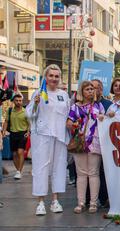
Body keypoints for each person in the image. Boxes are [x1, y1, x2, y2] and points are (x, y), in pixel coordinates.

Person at [26, 64, 70, 216]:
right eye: (51, 76)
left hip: (60, 136)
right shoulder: (39, 93)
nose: (54, 79)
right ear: (45, 77)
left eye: (57, 76)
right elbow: (30, 114)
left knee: (58, 167)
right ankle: (40, 202)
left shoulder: (63, 95)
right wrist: (36, 103)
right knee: (41, 168)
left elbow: (68, 115)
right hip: (42, 135)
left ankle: (55, 200)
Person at [66, 81, 105, 214]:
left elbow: (104, 122)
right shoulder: (75, 107)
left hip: (94, 142)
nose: (90, 91)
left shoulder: (99, 106)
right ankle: (81, 202)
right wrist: (76, 124)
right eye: (87, 89)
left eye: (92, 89)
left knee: (93, 173)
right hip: (80, 142)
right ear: (81, 92)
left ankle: (93, 203)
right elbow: (69, 123)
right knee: (81, 173)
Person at [2, 93, 29, 180]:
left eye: (20, 101)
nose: (18, 102)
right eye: (17, 100)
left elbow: (30, 123)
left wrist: (28, 132)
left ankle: (18, 172)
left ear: (22, 101)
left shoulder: (25, 112)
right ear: (13, 101)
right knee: (14, 154)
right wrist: (3, 131)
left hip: (22, 133)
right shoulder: (10, 111)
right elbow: (6, 121)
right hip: (13, 134)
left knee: (20, 152)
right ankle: (18, 171)